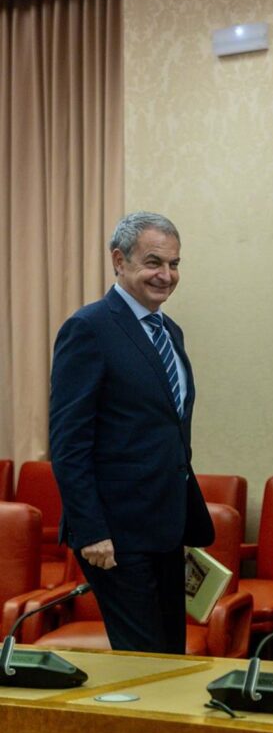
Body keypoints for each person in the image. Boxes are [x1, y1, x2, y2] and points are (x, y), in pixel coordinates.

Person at [49, 211, 214, 653]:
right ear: (119, 261)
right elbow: (68, 444)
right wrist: (90, 530)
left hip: (166, 527)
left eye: (174, 264)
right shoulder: (88, 329)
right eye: (153, 262)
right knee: (143, 661)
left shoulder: (169, 331)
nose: (166, 275)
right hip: (115, 535)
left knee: (171, 656)